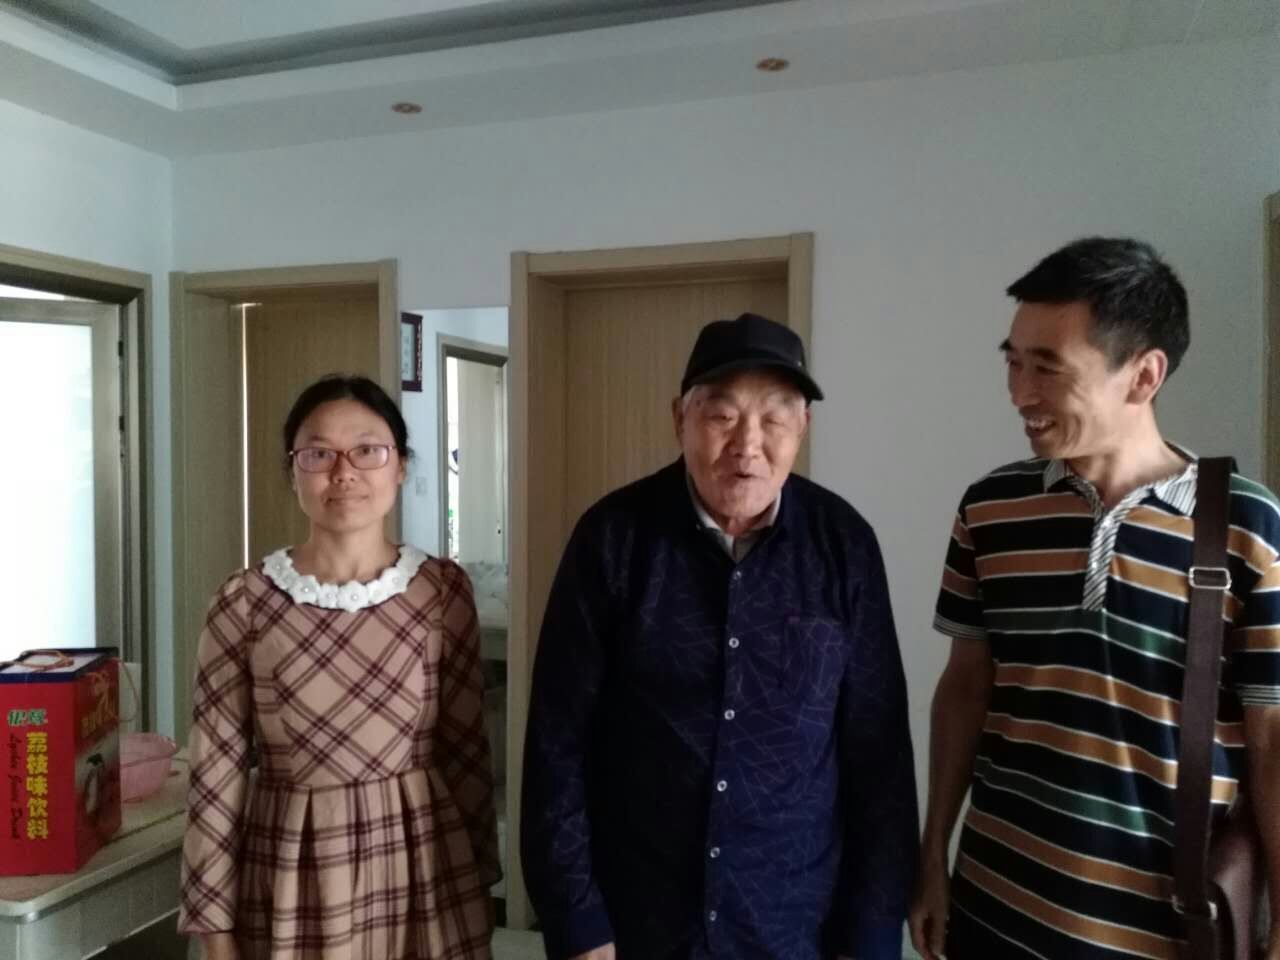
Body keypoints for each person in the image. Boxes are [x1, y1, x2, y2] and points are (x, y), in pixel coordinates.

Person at [909, 237, 1280, 960]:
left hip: (1162, 932)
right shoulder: (990, 509)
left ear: (1143, 376)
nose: (1020, 392)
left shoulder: (1246, 526)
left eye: (1048, 368)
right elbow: (965, 689)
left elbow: (1271, 739)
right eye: (1013, 362)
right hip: (993, 907)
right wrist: (932, 857)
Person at [521, 312, 919, 960]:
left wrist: (872, 935)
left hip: (795, 925)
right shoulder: (612, 538)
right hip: (641, 922)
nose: (747, 444)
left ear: (803, 428)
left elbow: (879, 754)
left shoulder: (844, 545)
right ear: (679, 417)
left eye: (774, 419)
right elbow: (556, 743)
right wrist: (577, 921)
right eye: (722, 415)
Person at [178, 375, 499, 960]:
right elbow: (215, 774)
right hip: (291, 866)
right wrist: (215, 930)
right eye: (319, 453)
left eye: (368, 450)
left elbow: (466, 751)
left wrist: (477, 877)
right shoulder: (244, 601)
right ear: (293, 470)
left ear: (400, 466)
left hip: (421, 863)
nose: (344, 472)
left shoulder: (441, 591)